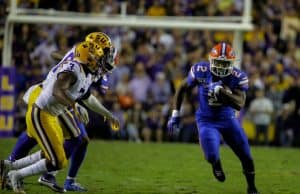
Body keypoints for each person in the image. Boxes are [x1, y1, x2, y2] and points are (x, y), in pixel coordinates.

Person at [0, 41, 120, 194]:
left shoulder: (86, 72)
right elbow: (57, 91)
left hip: (52, 113)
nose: (98, 62)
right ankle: (16, 174)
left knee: (58, 152)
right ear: (87, 58)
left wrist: (108, 114)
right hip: (42, 112)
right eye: (95, 59)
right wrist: (75, 105)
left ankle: (10, 166)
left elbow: (87, 97)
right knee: (57, 159)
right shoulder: (73, 70)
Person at [167, 43, 259, 194]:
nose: (221, 67)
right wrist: (175, 114)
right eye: (219, 63)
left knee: (246, 156)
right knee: (211, 155)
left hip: (228, 119)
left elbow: (240, 103)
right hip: (206, 120)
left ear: (231, 64)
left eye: (225, 64)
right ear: (211, 60)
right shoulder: (200, 70)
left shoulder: (238, 76)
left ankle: (252, 187)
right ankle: (216, 164)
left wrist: (222, 93)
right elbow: (182, 88)